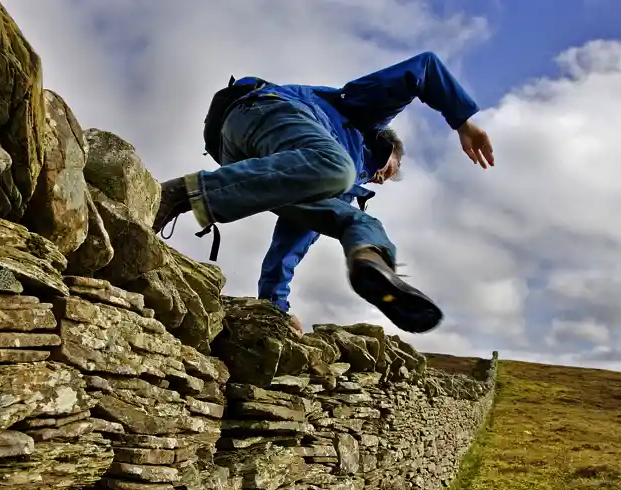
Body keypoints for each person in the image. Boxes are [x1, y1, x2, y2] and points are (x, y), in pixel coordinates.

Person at [152, 52, 494, 336]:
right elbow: (424, 68)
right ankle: (185, 192)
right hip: (262, 110)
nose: (379, 179)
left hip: (242, 158)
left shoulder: (322, 178)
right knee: (338, 169)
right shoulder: (363, 117)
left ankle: (370, 260)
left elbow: (288, 245)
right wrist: (463, 123)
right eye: (388, 170)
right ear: (388, 148)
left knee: (355, 219)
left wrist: (276, 309)